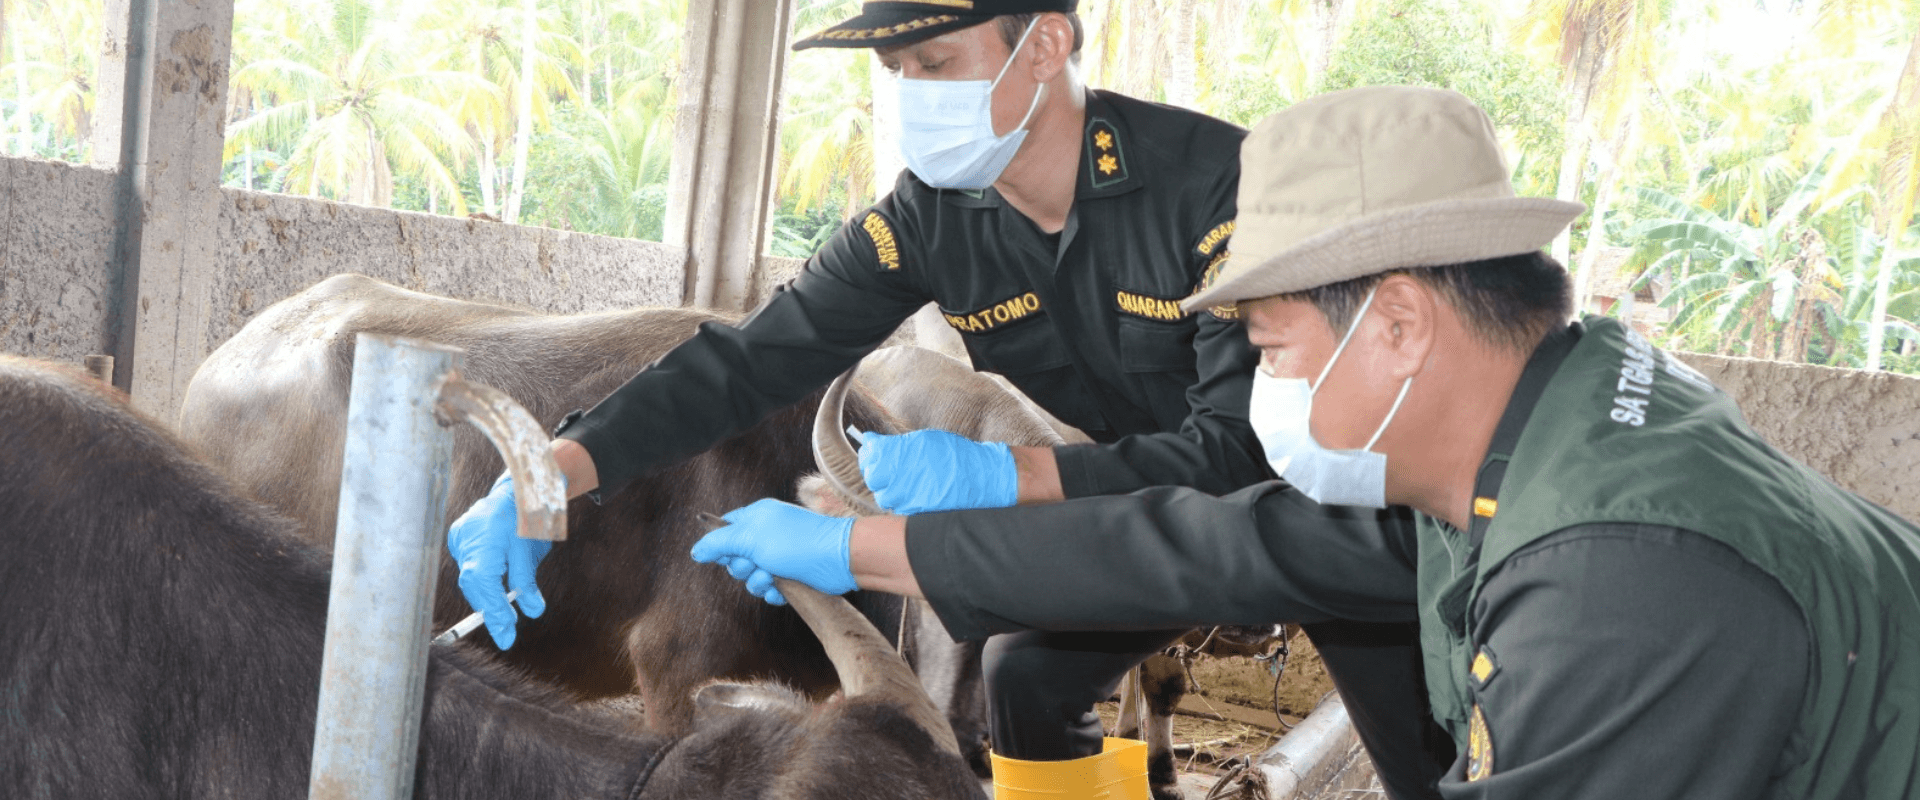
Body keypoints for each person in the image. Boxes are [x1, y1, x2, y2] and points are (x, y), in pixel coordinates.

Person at [690, 85, 1920, 798]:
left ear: (1395, 320)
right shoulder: (1538, 427)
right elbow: (1203, 546)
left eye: (1270, 348)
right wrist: (872, 545)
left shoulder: (1619, 583)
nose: (1260, 390)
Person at [447, 3, 1448, 799]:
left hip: (1323, 513)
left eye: (936, 64)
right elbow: (751, 360)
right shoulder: (932, 215)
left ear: (1044, 45)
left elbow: (1241, 452)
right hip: (1135, 513)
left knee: (1426, 766)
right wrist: (553, 469)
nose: (910, 96)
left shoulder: (1217, 190)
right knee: (1024, 679)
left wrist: (1004, 473)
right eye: (895, 74)